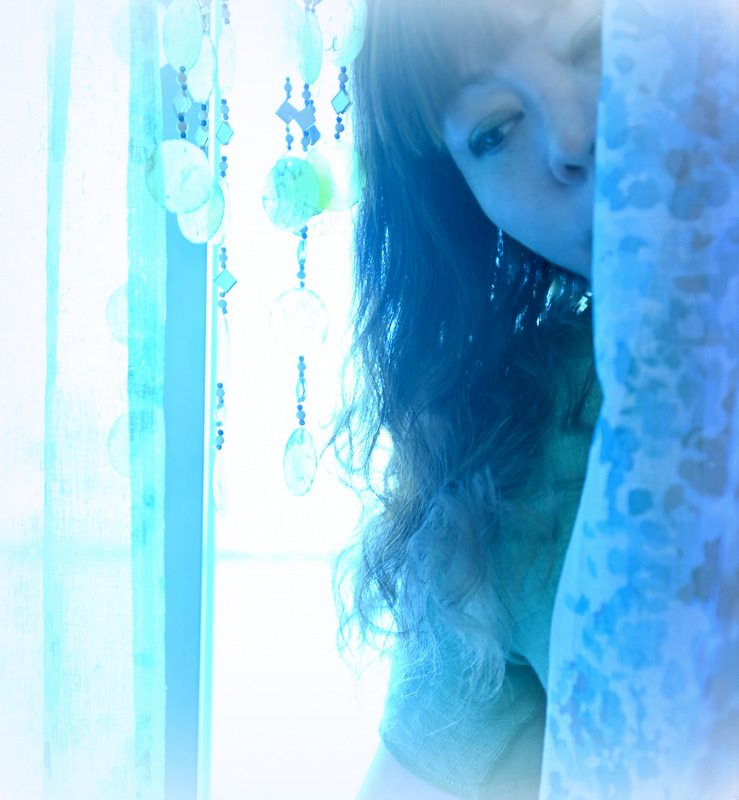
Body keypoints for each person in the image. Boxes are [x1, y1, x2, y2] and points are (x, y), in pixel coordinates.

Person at [331, 0, 606, 797]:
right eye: (492, 131)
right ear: (463, 199)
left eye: (596, 43)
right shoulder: (521, 458)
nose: (571, 138)